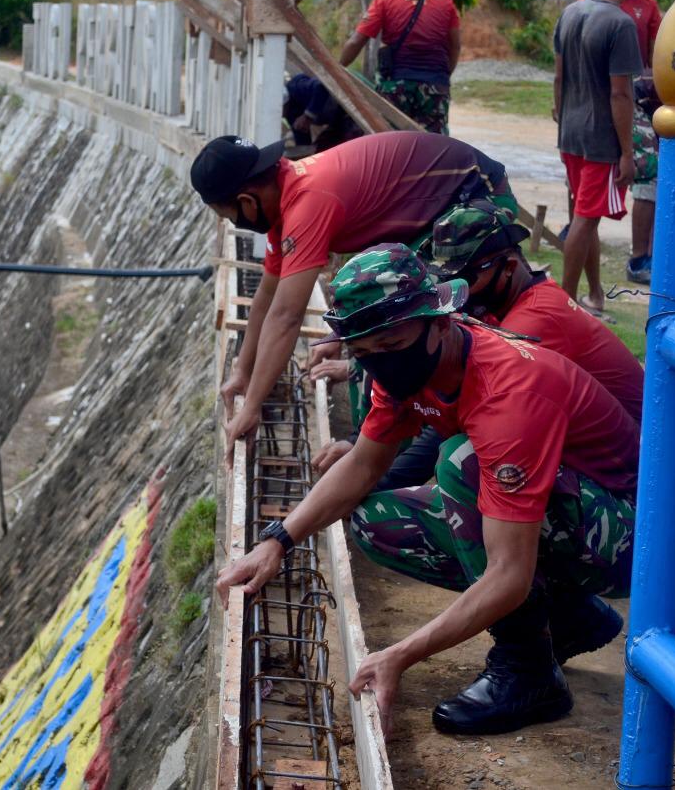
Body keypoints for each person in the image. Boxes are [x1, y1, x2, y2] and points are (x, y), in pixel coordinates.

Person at [218, 244, 640, 735]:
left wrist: (400, 655)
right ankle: (572, 617)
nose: (381, 363)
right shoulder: (403, 368)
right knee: (376, 522)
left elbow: (509, 572)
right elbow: (362, 465)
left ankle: (529, 672)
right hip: (567, 513)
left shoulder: (508, 392)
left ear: (440, 322)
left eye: (391, 346)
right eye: (364, 352)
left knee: (461, 463)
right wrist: (277, 541)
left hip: (628, 539)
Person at [189, 131, 514, 447]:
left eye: (229, 216)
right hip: (433, 217)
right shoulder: (284, 197)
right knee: (370, 333)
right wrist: (243, 372)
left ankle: (426, 439)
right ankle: (382, 443)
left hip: (474, 199)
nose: (234, 224)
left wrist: (251, 407)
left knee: (410, 330)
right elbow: (268, 296)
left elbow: (287, 316)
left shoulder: (308, 200)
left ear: (246, 200)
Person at [311, 202, 643, 484]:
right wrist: (362, 451)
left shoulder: (533, 321)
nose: (457, 287)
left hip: (615, 471)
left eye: (466, 277)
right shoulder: (511, 303)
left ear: (509, 267)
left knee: (459, 458)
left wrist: (377, 482)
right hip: (576, 447)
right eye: (445, 277)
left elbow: (455, 420)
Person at [553, 0, 644, 312]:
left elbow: (558, 78)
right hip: (600, 139)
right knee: (586, 220)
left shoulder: (571, 13)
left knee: (582, 216)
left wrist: (562, 118)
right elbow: (620, 95)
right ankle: (565, 304)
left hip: (571, 133)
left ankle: (593, 294)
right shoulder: (621, 25)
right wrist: (627, 152)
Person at [577, 0, 662, 284]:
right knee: (593, 182)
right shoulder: (593, 6)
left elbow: (656, 62)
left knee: (644, 178)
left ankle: (638, 256)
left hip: (628, 99)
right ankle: (624, 256)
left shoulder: (648, 9)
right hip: (609, 99)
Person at [338, 0, 461, 134]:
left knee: (391, 146)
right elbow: (455, 47)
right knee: (434, 148)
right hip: (435, 85)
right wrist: (442, 79)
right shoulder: (445, 0)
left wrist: (336, 69)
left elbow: (356, 42)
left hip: (396, 86)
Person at [283, 73, 362, 151]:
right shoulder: (289, 113)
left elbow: (321, 87)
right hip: (336, 122)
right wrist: (302, 153)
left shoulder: (297, 87)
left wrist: (308, 116)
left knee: (351, 145)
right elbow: (302, 137)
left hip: (351, 111)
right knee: (321, 148)